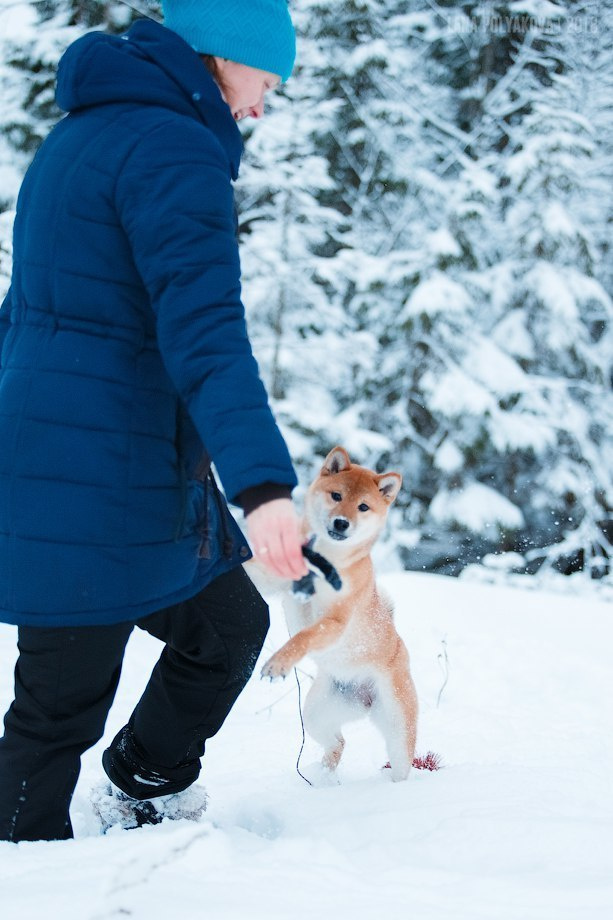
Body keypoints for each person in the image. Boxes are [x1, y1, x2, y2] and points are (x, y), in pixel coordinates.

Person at [0, 0, 308, 843]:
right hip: (86, 469)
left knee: (227, 625)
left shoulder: (79, 137)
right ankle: (22, 873)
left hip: (118, 462)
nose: (259, 105)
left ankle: (145, 781)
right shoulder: (174, 148)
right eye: (262, 81)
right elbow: (205, 329)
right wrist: (263, 485)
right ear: (218, 56)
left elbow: (22, 311)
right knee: (58, 707)